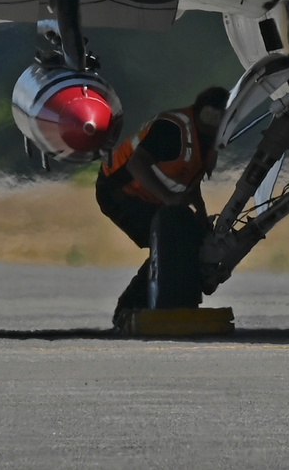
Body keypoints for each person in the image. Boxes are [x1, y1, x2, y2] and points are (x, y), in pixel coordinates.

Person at [96, 86, 229, 322]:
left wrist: (200, 213)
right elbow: (136, 164)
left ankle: (175, 302)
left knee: (188, 239)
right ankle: (129, 308)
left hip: (149, 197)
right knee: (173, 242)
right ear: (210, 114)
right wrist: (170, 200)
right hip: (119, 192)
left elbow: (189, 177)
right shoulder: (173, 129)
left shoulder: (204, 138)